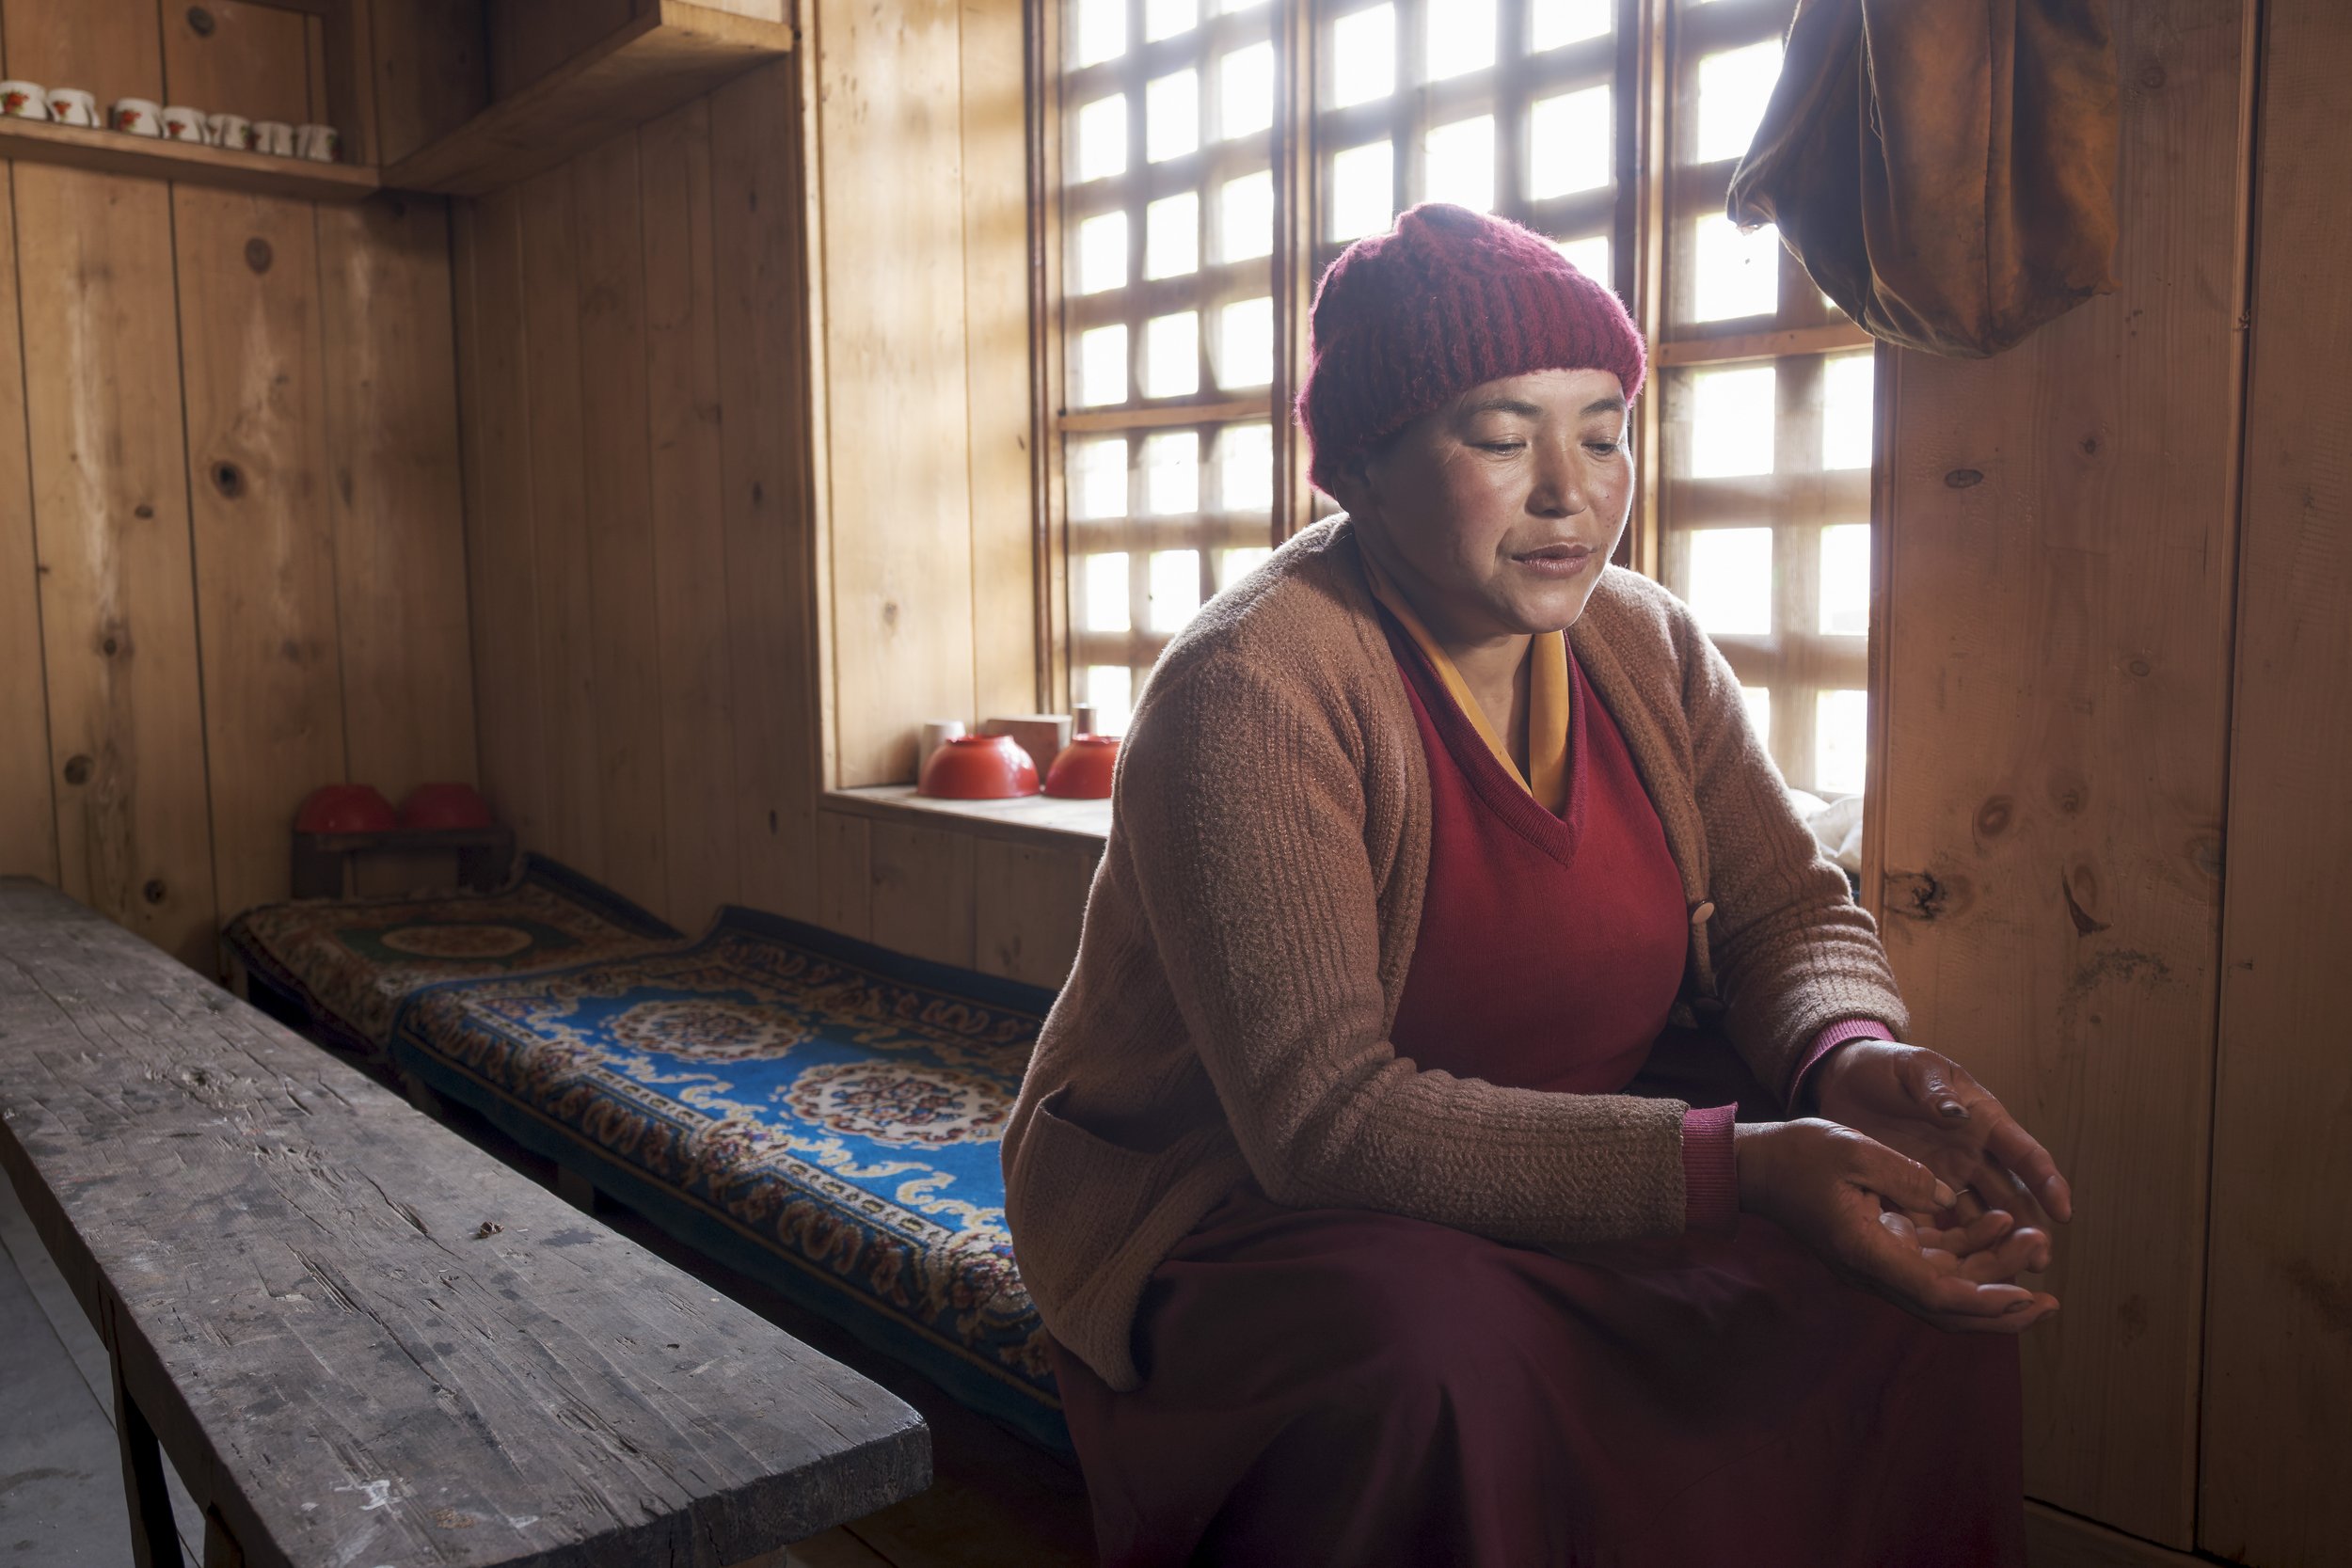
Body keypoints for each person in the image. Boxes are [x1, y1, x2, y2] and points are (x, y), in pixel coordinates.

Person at [1000, 203, 2073, 1568]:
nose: (1571, 489)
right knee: (1438, 1359)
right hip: (1251, 1200)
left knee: (1908, 1265)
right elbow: (1322, 1122)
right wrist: (1734, 1170)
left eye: (1605, 431)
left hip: (1585, 1138)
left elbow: (1784, 912)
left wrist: (1849, 1058)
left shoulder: (1646, 644)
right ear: (1366, 470)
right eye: (1503, 439)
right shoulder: (1255, 686)